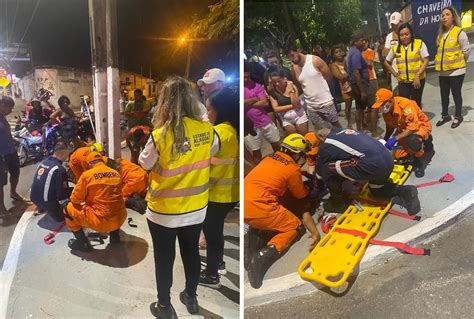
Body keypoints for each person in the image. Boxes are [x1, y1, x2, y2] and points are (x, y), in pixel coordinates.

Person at [139, 77, 220, 318]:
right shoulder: (208, 131)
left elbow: (145, 163)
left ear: (165, 102)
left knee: (164, 259)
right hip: (196, 209)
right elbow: (212, 150)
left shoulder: (159, 135)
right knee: (191, 253)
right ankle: (191, 297)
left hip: (163, 212)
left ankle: (164, 306)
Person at [244, 133, 320, 289]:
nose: (303, 158)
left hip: (245, 203)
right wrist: (308, 187)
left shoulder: (269, 157)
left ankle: (249, 251)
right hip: (260, 206)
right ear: (295, 153)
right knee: (293, 227)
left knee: (263, 222)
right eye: (301, 155)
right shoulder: (292, 169)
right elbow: (299, 194)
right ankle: (260, 258)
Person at [315, 126, 421, 215]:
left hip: (373, 166)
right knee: (377, 191)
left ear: (321, 136)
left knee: (327, 168)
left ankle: (338, 204)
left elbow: (319, 173)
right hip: (387, 160)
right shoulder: (345, 131)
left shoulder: (327, 145)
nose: (319, 144)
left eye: (318, 141)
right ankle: (405, 191)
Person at [199, 88, 239, 288]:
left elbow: (200, 159)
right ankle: (219, 262)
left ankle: (212, 275)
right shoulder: (235, 129)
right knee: (217, 231)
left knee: (212, 235)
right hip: (230, 193)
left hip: (216, 194)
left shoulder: (220, 133)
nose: (207, 115)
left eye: (209, 110)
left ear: (220, 110)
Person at [65, 151, 127, 251]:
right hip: (120, 218)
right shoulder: (116, 174)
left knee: (67, 208)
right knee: (113, 204)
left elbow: (75, 199)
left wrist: (86, 201)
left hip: (101, 222)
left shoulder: (87, 175)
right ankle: (115, 237)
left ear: (89, 164)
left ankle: (82, 244)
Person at [372, 88, 434, 178]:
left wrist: (395, 138)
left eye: (382, 104)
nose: (381, 108)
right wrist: (385, 140)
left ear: (390, 100)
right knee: (399, 156)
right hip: (404, 130)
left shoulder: (405, 104)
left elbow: (413, 127)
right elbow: (390, 126)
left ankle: (418, 161)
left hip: (420, 126)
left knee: (413, 141)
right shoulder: (387, 110)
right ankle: (422, 143)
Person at [285, 44, 342, 130]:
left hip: (326, 103)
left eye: (292, 55)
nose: (292, 59)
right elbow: (301, 85)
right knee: (321, 131)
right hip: (312, 107)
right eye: (289, 57)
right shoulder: (294, 68)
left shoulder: (315, 60)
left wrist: (321, 91)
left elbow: (328, 77)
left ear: (298, 51)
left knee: (336, 128)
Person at [435, 6, 471, 129]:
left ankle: (458, 116)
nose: (444, 17)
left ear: (453, 17)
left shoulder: (459, 32)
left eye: (447, 14)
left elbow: (466, 50)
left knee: (456, 94)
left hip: (457, 71)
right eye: (442, 15)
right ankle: (445, 115)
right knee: (444, 96)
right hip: (443, 73)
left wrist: (460, 62)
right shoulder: (440, 35)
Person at [384, 23, 429, 109]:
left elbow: (426, 60)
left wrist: (418, 75)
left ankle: (418, 122)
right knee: (405, 105)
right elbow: (386, 62)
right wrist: (395, 74)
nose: (404, 37)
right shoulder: (396, 47)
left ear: (411, 34)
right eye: (401, 35)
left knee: (416, 105)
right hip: (403, 82)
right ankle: (409, 122)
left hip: (417, 81)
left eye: (406, 34)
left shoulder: (419, 44)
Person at [244, 62, 280, 164]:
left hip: (265, 120)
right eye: (243, 77)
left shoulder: (257, 85)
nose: (245, 79)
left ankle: (282, 164)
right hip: (249, 126)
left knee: (277, 144)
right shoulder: (238, 89)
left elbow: (264, 103)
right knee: (256, 151)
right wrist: (255, 99)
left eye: (247, 76)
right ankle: (259, 170)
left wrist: (247, 103)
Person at [30, 141, 71, 222]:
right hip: (48, 204)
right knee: (61, 218)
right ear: (62, 153)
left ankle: (41, 207)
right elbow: (62, 194)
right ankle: (53, 211)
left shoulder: (44, 161)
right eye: (67, 154)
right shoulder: (59, 170)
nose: (68, 157)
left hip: (34, 198)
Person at [267, 66, 309, 136]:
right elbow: (276, 109)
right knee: (294, 140)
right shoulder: (272, 91)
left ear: (284, 78)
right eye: (274, 82)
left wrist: (290, 90)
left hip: (299, 115)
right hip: (286, 119)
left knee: (305, 137)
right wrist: (293, 106)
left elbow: (296, 103)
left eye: (279, 81)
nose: (277, 84)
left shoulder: (292, 86)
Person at [1, 96, 25, 216]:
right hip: (1, 155)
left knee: (15, 172)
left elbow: (6, 132)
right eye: (9, 108)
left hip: (11, 151)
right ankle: (1, 209)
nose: (11, 111)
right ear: (2, 105)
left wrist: (14, 140)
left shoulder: (3, 117)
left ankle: (13, 193)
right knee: (1, 182)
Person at [346, 31, 372, 133]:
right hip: (359, 85)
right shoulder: (356, 53)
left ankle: (361, 128)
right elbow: (356, 72)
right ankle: (360, 130)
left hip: (356, 84)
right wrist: (362, 91)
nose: (363, 42)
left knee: (359, 107)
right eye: (361, 40)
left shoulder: (352, 52)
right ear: (356, 42)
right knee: (359, 108)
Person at [330, 45, 354, 129]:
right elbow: (340, 77)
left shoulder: (345, 61)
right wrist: (350, 72)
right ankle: (349, 122)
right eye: (336, 52)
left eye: (340, 51)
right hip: (344, 89)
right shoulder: (333, 65)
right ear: (333, 55)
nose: (339, 53)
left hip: (352, 85)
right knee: (348, 106)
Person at [384, 12, 403, 93]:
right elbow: (385, 54)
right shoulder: (389, 37)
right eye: (392, 25)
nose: (394, 27)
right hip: (395, 71)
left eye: (396, 24)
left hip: (408, 70)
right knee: (396, 94)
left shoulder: (406, 34)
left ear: (401, 22)